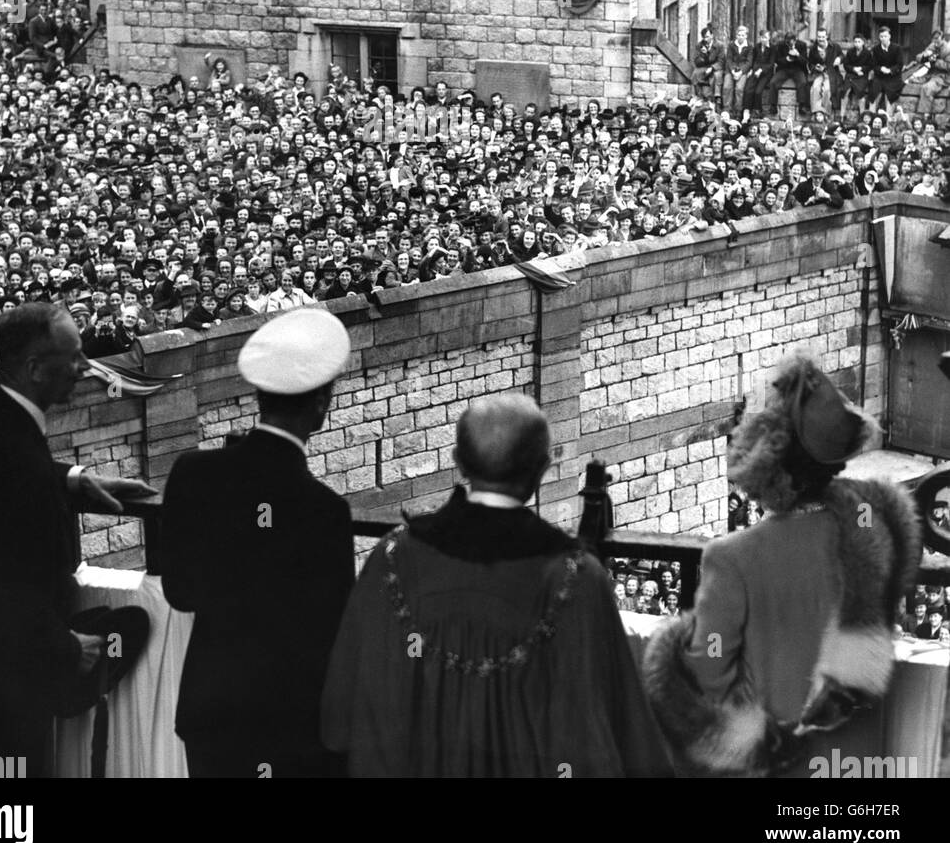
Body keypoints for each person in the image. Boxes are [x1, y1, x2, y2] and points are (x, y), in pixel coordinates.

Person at [321, 392, 674, 778]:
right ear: (542, 468)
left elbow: (343, 711)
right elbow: (615, 727)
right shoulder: (575, 579)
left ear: (458, 462)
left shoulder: (392, 559)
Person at [0, 303, 155, 777]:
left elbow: (3, 468)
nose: (84, 366)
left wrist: (73, 477)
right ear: (36, 368)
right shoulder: (5, 444)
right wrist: (66, 646)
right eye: (73, 355)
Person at [643, 353, 920, 777]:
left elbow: (709, 661)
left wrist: (685, 639)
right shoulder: (871, 529)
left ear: (766, 463)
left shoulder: (733, 557)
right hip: (855, 755)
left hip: (780, 755)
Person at [161, 305, 355, 777]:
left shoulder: (193, 472)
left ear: (259, 395)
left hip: (212, 707)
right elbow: (333, 632)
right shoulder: (324, 510)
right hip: (289, 723)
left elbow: (179, 592)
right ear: (320, 405)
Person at [868, 25, 904, 114]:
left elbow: (900, 64)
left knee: (890, 95)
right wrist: (881, 68)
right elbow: (873, 65)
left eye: (885, 36)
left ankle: (889, 118)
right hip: (880, 76)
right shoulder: (876, 49)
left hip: (893, 77)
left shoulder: (897, 48)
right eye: (881, 36)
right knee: (873, 93)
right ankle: (871, 116)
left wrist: (890, 70)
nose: (883, 38)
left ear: (889, 36)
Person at [692, 27, 723, 103]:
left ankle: (716, 97)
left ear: (712, 35)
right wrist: (704, 55)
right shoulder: (699, 45)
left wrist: (712, 67)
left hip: (716, 67)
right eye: (704, 37)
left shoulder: (719, 45)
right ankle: (697, 96)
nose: (705, 39)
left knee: (716, 76)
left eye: (707, 37)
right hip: (704, 66)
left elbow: (721, 61)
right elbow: (696, 61)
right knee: (695, 74)